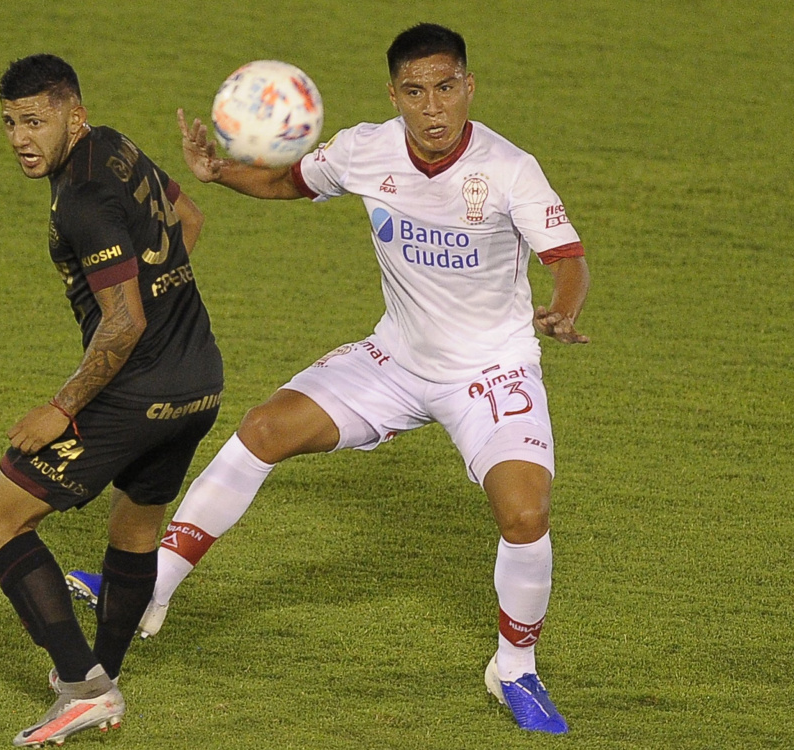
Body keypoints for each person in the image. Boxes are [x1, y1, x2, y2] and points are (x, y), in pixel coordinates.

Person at [81, 21, 587, 734]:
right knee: (262, 430)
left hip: (490, 368)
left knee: (525, 514)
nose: (433, 106)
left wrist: (562, 311)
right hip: (396, 360)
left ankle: (514, 668)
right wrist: (220, 171)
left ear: (468, 88)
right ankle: (151, 587)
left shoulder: (508, 168)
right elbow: (292, 181)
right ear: (395, 96)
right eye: (416, 91)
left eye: (446, 88)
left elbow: (567, 258)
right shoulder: (365, 148)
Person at [0, 53, 224, 747]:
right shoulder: (115, 145)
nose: (21, 137)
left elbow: (125, 322)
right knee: (135, 534)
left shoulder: (81, 200)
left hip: (133, 392)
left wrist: (62, 406)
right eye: (10, 123)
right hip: (199, 381)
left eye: (36, 121)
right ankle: (101, 675)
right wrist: (171, 323)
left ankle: (83, 689)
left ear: (71, 115)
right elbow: (187, 221)